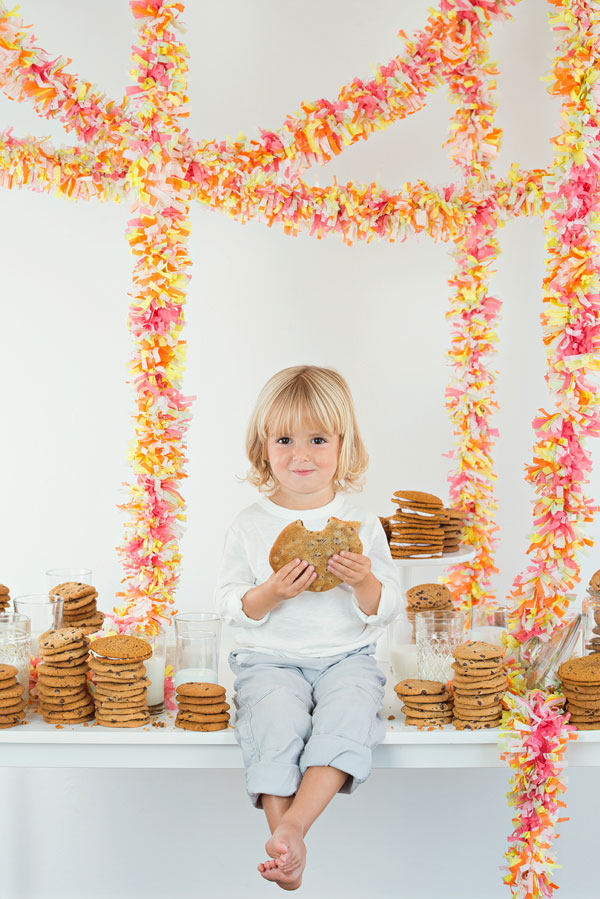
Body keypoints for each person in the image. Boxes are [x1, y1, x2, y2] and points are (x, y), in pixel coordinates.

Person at [215, 365, 401, 890]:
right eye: (284, 439)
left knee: (348, 714)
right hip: (268, 658)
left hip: (349, 658)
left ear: (344, 445)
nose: (301, 454)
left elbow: (386, 605)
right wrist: (269, 593)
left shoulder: (361, 524)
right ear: (262, 446)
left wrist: (363, 581)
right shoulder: (249, 525)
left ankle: (294, 826)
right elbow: (230, 602)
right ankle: (286, 842)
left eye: (318, 439)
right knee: (273, 721)